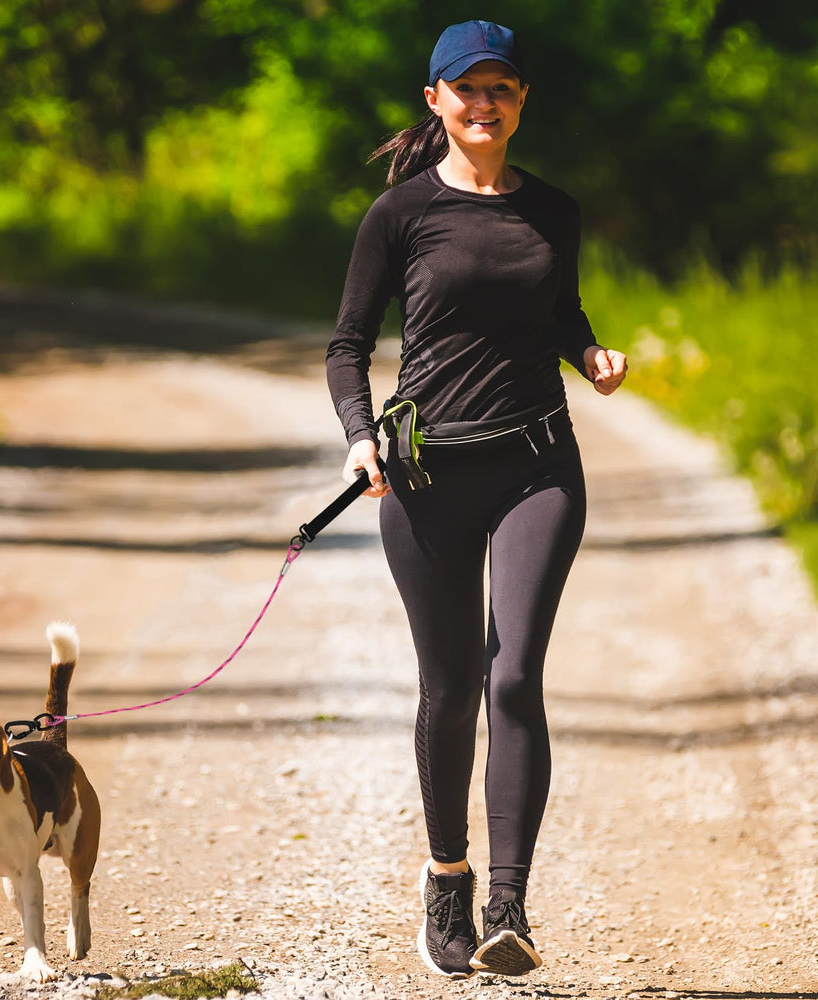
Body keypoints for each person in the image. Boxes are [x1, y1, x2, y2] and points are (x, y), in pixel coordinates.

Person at [325, 19, 627, 980]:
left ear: (522, 99)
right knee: (451, 687)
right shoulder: (401, 216)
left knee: (513, 677)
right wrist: (360, 437)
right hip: (425, 479)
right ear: (437, 102)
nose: (484, 104)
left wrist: (590, 353)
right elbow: (346, 344)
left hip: (539, 464)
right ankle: (447, 879)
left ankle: (509, 904)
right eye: (468, 89)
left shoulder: (555, 211)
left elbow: (561, 310)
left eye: (502, 88)